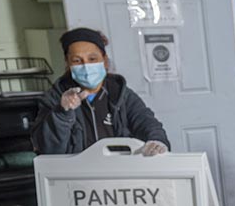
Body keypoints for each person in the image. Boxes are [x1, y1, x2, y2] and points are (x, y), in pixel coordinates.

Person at [32, 27, 170, 156]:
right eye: (77, 60)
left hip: (119, 171)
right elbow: (47, 149)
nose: (86, 66)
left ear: (104, 61)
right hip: (76, 176)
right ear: (68, 64)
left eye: (92, 59)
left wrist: (156, 141)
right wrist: (62, 112)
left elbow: (147, 122)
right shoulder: (55, 97)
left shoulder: (121, 94)